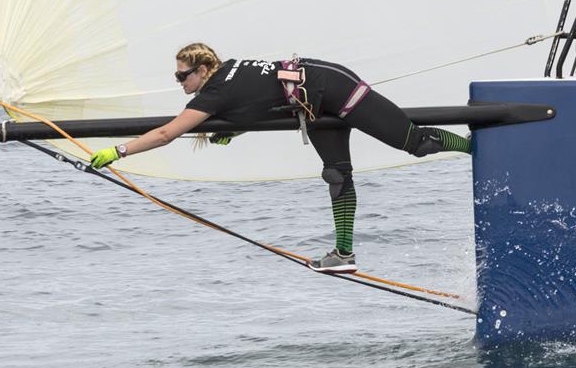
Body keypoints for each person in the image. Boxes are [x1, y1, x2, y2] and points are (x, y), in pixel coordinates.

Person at [90, 43, 471, 274]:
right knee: (336, 175)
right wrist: (235, 129)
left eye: (182, 76)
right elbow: (261, 99)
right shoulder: (227, 74)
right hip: (313, 104)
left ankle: (475, 147)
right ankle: (343, 253)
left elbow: (167, 133)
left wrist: (117, 152)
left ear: (202, 71)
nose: (180, 83)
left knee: (415, 143)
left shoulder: (213, 93)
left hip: (335, 86)